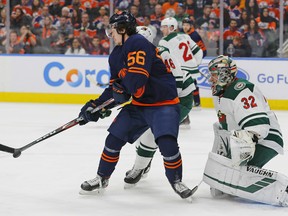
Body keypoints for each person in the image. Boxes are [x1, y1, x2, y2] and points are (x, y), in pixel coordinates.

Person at [78, 11, 195, 200]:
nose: (110, 34)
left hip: (163, 103)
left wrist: (118, 95)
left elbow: (136, 81)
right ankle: (102, 178)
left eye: (113, 29)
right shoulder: (115, 55)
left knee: (167, 142)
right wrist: (95, 106)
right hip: (140, 104)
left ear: (123, 29)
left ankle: (176, 181)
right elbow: (116, 88)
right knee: (113, 138)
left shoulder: (138, 43)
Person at [203, 55, 288, 206]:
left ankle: (284, 191)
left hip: (265, 140)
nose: (211, 79)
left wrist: (247, 141)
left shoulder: (241, 90)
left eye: (214, 75)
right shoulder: (222, 93)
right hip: (246, 140)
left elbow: (258, 125)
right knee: (223, 183)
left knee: (235, 175)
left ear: (225, 74)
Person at [124, 25, 198, 187]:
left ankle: (139, 168)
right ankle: (144, 163)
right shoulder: (132, 56)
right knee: (139, 129)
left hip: (179, 98)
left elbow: (177, 82)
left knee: (152, 133)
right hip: (155, 99)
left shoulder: (161, 54)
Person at [159, 17, 203, 128]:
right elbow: (199, 51)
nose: (162, 29)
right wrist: (195, 64)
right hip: (191, 71)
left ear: (172, 28)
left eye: (164, 27)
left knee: (177, 94)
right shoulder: (185, 36)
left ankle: (181, 118)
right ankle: (184, 118)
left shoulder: (164, 41)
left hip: (179, 72)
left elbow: (161, 58)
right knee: (185, 95)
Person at [181, 17, 207, 125]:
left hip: (191, 64)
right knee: (190, 82)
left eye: (187, 25)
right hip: (186, 64)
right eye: (184, 25)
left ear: (191, 26)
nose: (185, 27)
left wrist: (195, 61)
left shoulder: (194, 36)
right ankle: (195, 102)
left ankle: (196, 102)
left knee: (191, 82)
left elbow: (203, 51)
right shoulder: (183, 36)